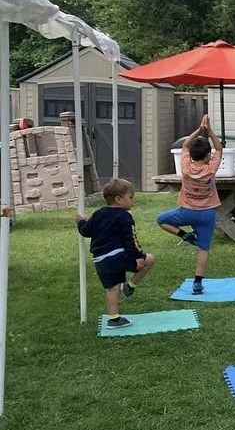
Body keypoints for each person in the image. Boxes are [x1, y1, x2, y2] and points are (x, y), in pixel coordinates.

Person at [157, 115, 222, 295]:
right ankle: (197, 283)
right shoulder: (211, 168)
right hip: (207, 213)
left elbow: (185, 145)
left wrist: (198, 130)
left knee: (161, 220)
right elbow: (219, 147)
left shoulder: (185, 166)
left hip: (186, 212)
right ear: (208, 156)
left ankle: (185, 236)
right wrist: (209, 131)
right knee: (203, 248)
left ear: (191, 155)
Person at [76, 178, 154, 328]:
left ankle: (114, 318)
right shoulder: (124, 216)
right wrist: (137, 256)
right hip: (117, 256)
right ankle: (130, 285)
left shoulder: (98, 214)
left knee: (112, 288)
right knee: (149, 259)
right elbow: (130, 238)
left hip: (100, 261)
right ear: (118, 199)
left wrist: (81, 222)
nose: (133, 201)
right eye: (130, 198)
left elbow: (86, 231)